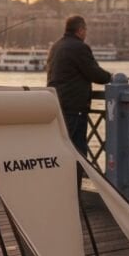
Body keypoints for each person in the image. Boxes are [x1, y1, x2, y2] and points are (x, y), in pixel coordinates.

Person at [47, 15, 112, 159]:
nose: (86, 33)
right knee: (77, 149)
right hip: (74, 106)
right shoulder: (79, 47)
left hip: (56, 103)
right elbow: (95, 74)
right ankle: (75, 180)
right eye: (85, 29)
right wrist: (111, 77)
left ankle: (63, 179)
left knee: (61, 145)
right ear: (80, 30)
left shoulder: (56, 46)